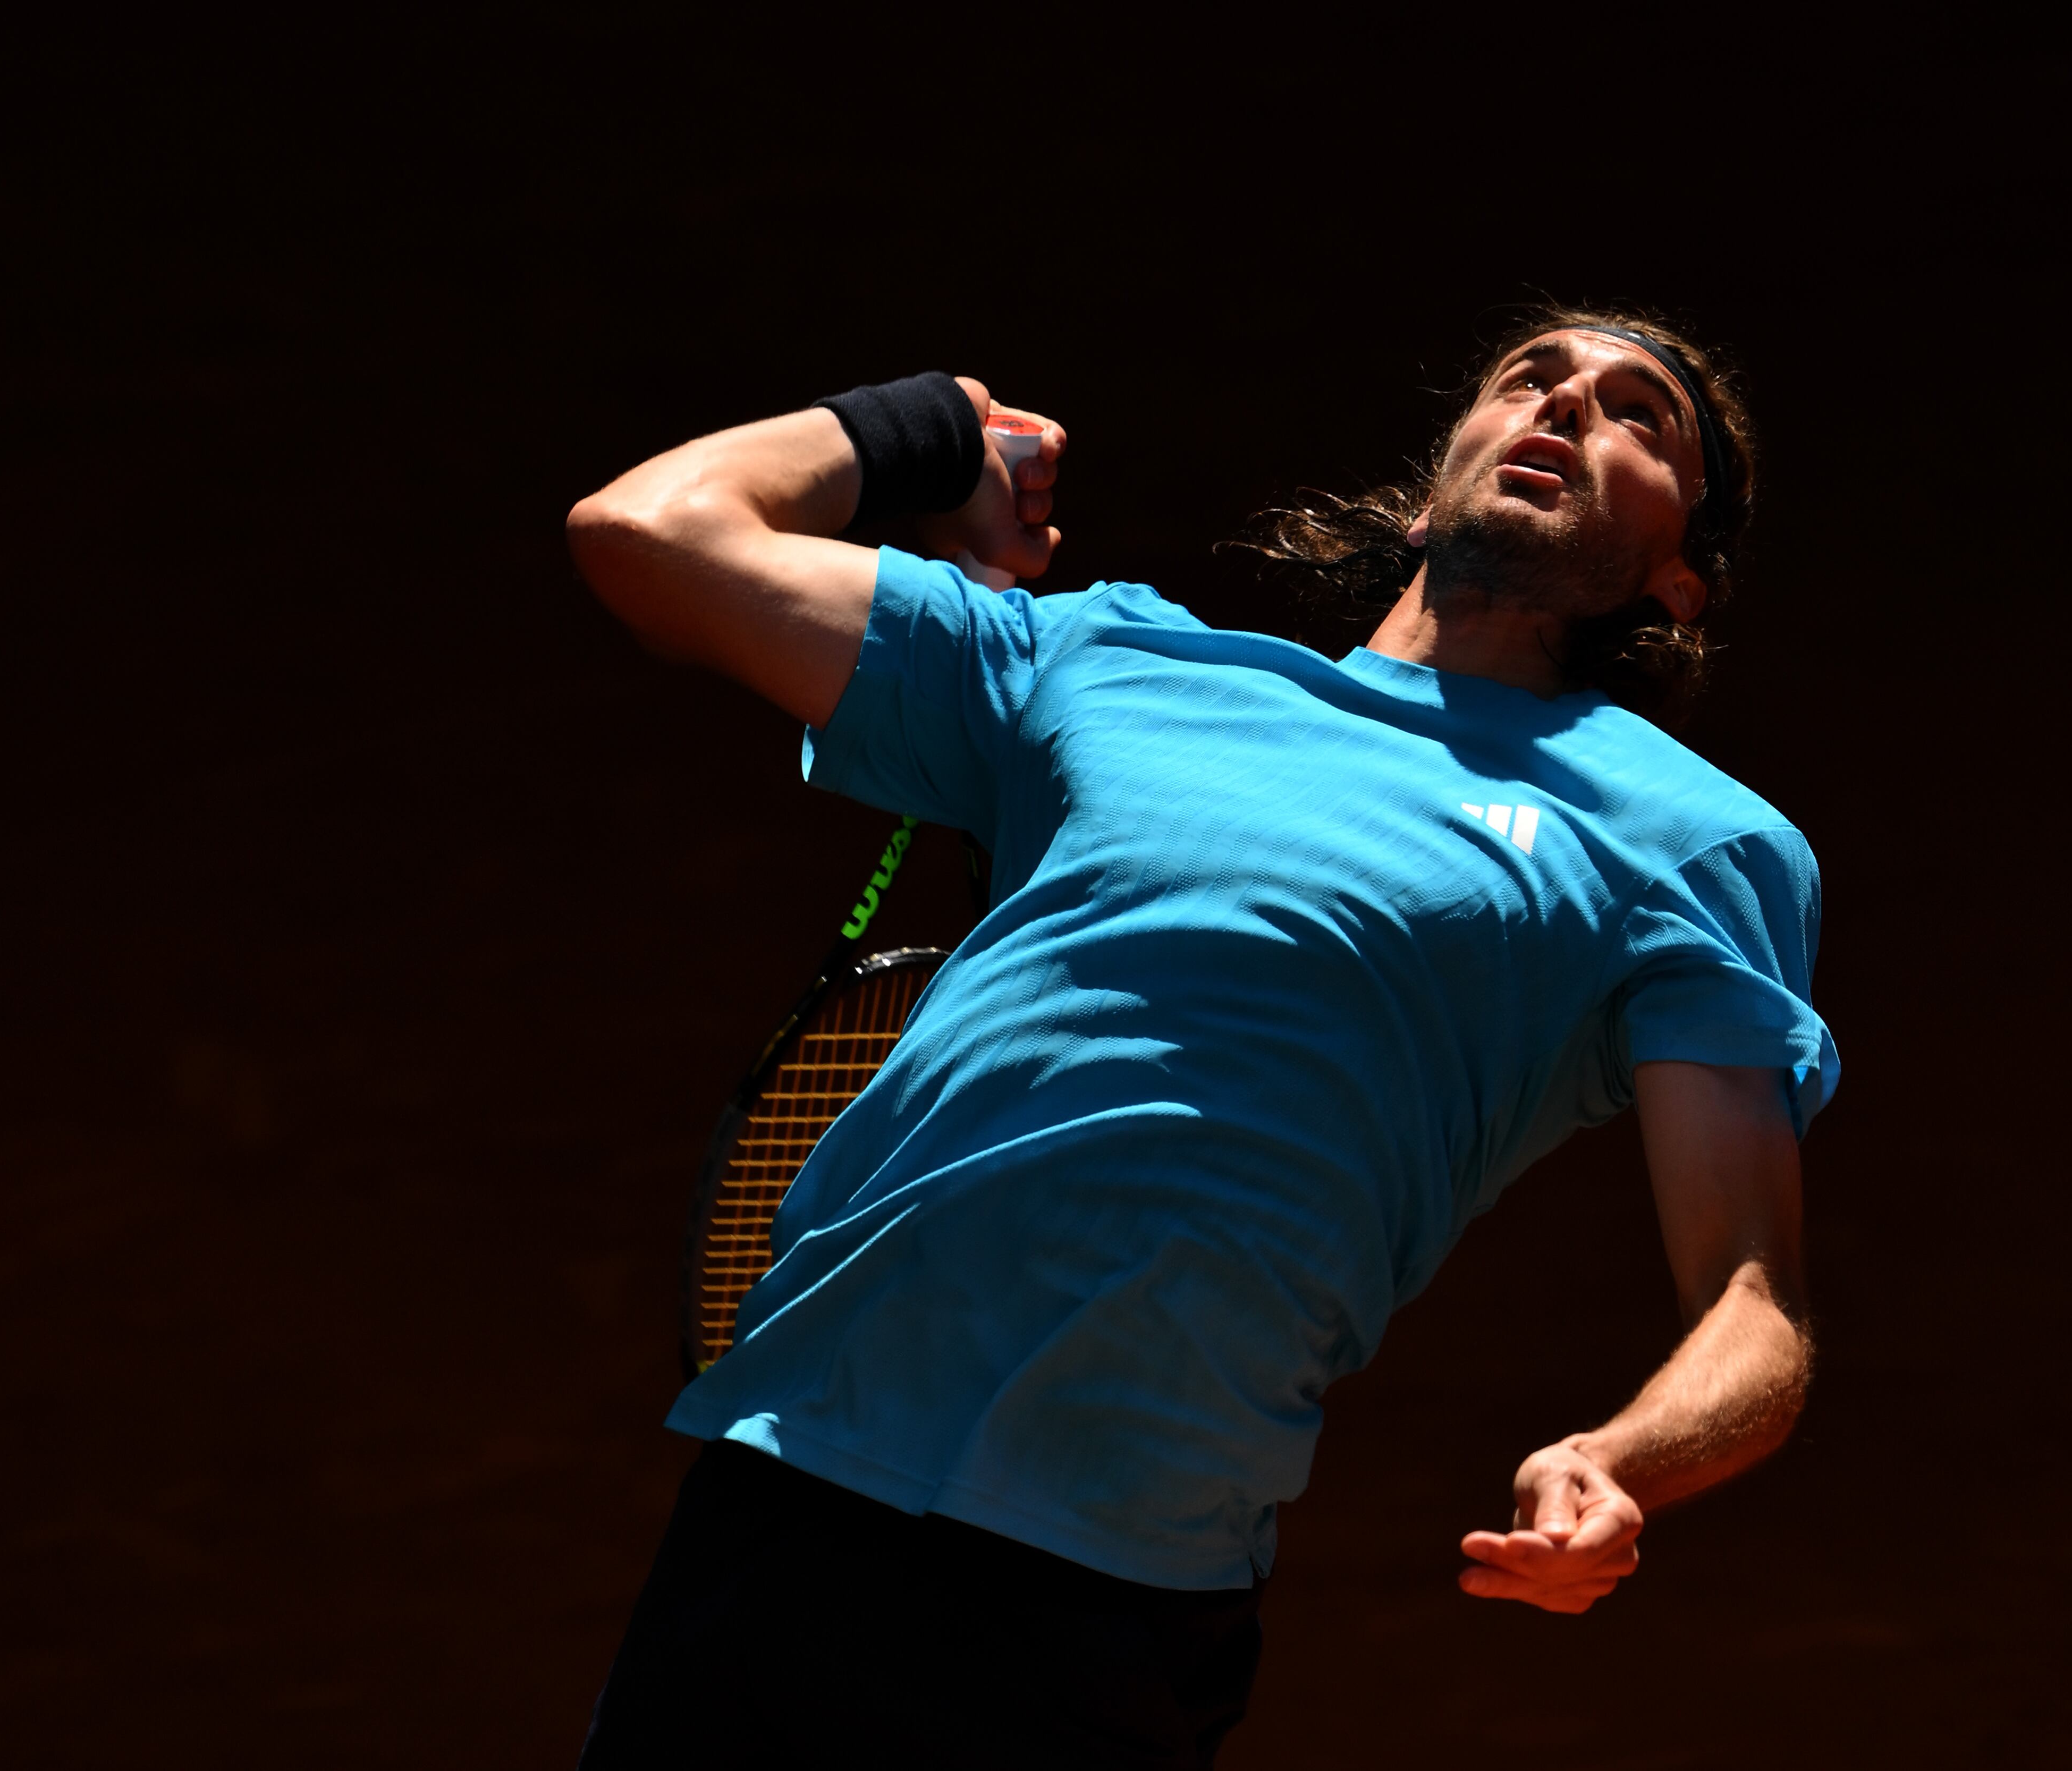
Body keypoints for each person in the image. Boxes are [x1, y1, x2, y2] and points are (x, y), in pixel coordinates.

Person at [564, 308, 1837, 1767]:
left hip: (1107, 1583)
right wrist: (927, 424)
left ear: (1682, 575)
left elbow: (1757, 1302)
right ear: (1431, 489)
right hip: (787, 1492)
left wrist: (1623, 1462)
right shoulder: (1102, 659)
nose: (1566, 409)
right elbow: (646, 533)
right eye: (1530, 382)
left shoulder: (1693, 842)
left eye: (1640, 416)